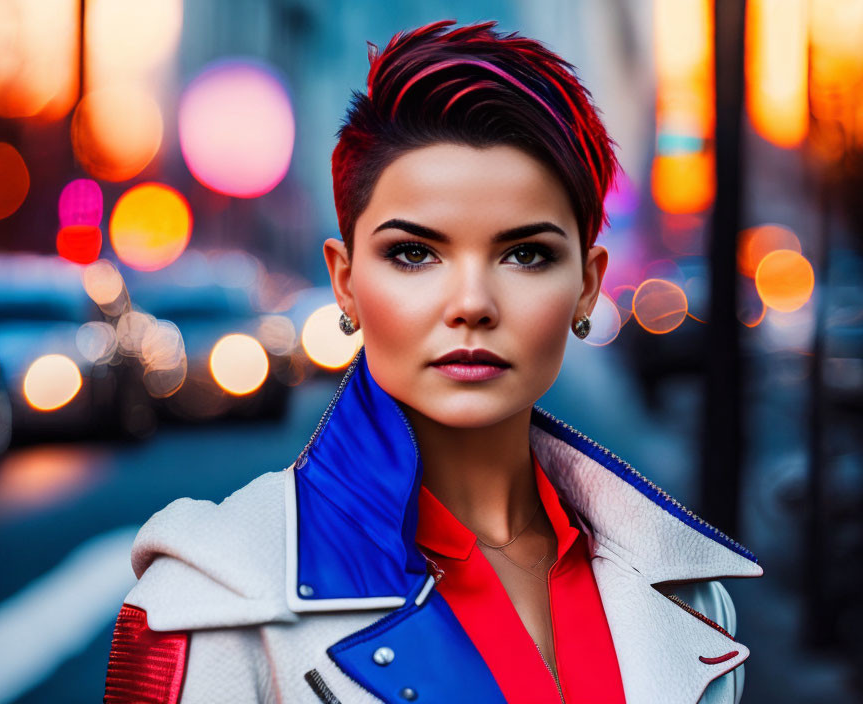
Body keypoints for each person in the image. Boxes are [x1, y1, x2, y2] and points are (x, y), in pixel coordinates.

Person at [103, 20, 762, 704]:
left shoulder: (687, 597)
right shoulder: (214, 602)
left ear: (588, 285)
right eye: (414, 254)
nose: (471, 303)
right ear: (346, 281)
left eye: (525, 254)